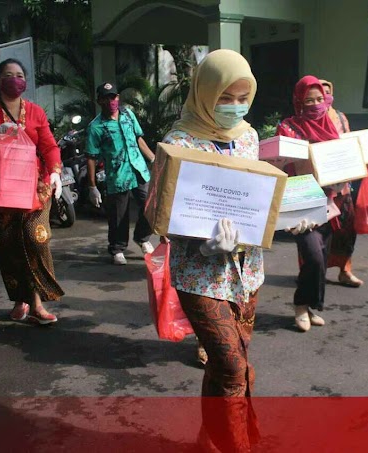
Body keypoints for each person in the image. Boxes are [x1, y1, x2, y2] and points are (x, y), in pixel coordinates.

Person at [161, 49, 266, 452]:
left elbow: (254, 199)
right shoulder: (179, 143)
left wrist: (290, 214)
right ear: (206, 92)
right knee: (231, 365)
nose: (235, 107)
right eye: (226, 98)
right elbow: (166, 211)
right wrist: (204, 244)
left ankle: (209, 439)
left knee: (227, 364)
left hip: (247, 271)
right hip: (199, 273)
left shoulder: (249, 137)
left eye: (243, 98)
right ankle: (234, 444)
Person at [0, 58, 64, 324]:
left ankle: (38, 302)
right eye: (8, 74)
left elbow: (50, 145)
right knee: (9, 246)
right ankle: (22, 299)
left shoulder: (36, 112)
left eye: (19, 75)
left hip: (35, 187)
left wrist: (54, 171)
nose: (15, 79)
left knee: (35, 239)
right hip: (4, 189)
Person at [276, 75, 350, 332]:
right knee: (314, 256)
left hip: (330, 201)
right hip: (300, 200)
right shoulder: (288, 128)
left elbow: (345, 160)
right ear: (299, 101)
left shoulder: (333, 127)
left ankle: (311, 305)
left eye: (320, 99)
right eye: (309, 100)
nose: (316, 105)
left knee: (321, 255)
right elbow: (281, 164)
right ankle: (300, 305)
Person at [86, 82, 156, 265]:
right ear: (99, 100)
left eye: (114, 97)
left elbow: (138, 138)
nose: (111, 101)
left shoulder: (127, 114)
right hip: (117, 175)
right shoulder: (96, 127)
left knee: (152, 205)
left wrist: (154, 159)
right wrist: (92, 186)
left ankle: (142, 237)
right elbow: (91, 157)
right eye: (107, 98)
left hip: (138, 168)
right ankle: (117, 249)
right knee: (119, 215)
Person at [320, 79, 363, 287]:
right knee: (317, 235)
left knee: (346, 229)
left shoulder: (340, 117)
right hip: (317, 188)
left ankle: (345, 270)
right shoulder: (303, 120)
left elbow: (349, 144)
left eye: (328, 93)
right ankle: (312, 274)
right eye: (320, 94)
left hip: (342, 185)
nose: (325, 98)